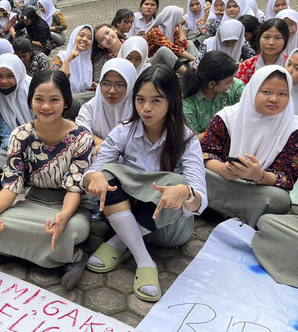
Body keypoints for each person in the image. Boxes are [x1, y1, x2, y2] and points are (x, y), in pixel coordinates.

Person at [83, 66, 207, 302]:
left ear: (172, 101)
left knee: (178, 183)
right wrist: (93, 177)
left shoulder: (186, 139)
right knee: (106, 173)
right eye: (140, 99)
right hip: (124, 215)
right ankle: (145, 261)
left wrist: (186, 193)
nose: (146, 108)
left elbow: (200, 200)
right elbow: (92, 171)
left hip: (166, 231)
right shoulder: (124, 131)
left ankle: (120, 243)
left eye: (156, 100)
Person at [0, 70, 95, 290]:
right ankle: (58, 258)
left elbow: (75, 189)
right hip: (31, 200)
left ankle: (73, 257)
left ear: (66, 102)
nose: (46, 106)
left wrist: (63, 216)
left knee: (69, 228)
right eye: (39, 99)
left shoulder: (83, 137)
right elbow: (12, 184)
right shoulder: (20, 135)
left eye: (54, 100)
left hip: (70, 204)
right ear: (30, 101)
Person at [201, 66, 298, 226]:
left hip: (257, 189)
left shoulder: (293, 129)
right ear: (252, 90)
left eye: (283, 94)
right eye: (266, 92)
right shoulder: (227, 117)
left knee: (278, 199)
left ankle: (217, 207)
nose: (274, 99)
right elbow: (206, 152)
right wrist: (222, 170)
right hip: (221, 180)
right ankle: (240, 213)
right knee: (197, 173)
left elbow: (287, 177)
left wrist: (258, 175)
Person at [76, 58, 136, 153]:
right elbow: (82, 134)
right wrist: (110, 149)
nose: (112, 91)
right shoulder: (90, 107)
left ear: (130, 85)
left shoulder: (137, 110)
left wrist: (102, 146)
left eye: (119, 85)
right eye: (106, 83)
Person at [0, 53, 34, 179]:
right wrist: (18, 149)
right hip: (15, 148)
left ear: (18, 74)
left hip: (39, 145)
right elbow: (5, 133)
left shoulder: (33, 90)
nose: (4, 81)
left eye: (10, 76)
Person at [183, 50, 243, 140]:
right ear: (212, 84)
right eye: (229, 81)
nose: (233, 82)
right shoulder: (189, 102)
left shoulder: (236, 88)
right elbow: (191, 139)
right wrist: (219, 130)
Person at [237, 18, 289, 84]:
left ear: (285, 40)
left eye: (277, 38)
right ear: (259, 38)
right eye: (266, 37)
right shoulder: (246, 66)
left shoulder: (291, 66)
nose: (271, 42)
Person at [145, 6, 196, 71]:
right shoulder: (155, 31)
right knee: (164, 50)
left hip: (169, 59)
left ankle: (193, 66)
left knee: (190, 43)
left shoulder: (173, 30)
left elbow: (184, 45)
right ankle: (188, 75)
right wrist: (194, 58)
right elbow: (173, 48)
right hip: (153, 62)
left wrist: (180, 26)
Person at [52, 25, 95, 93]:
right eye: (81, 35)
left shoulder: (91, 62)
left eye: (89, 38)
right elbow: (56, 83)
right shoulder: (59, 58)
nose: (84, 39)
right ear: (73, 36)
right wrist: (67, 60)